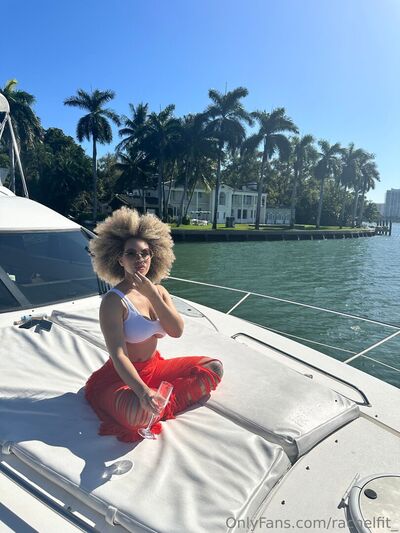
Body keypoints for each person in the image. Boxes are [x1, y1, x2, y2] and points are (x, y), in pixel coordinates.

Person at [85, 207, 223, 442]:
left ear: (153, 256)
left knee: (213, 368)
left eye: (145, 253)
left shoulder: (159, 291)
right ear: (120, 259)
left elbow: (176, 331)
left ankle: (160, 405)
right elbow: (118, 355)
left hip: (154, 368)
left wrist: (152, 294)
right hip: (120, 376)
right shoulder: (113, 301)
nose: (139, 259)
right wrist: (142, 392)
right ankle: (153, 405)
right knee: (137, 416)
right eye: (131, 254)